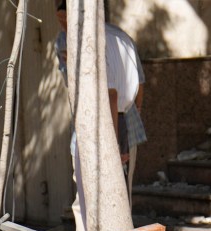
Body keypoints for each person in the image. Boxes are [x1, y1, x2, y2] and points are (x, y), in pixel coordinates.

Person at [52, 12, 143, 174]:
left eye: (65, 18)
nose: (63, 24)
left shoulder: (102, 40)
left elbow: (112, 96)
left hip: (114, 122)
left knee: (107, 184)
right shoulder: (118, 36)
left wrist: (114, 145)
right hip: (103, 122)